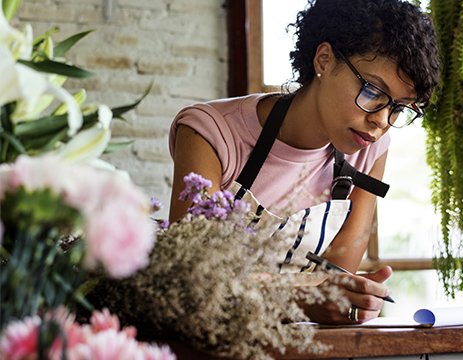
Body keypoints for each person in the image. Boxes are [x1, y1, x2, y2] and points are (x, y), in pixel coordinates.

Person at [168, 0, 440, 324]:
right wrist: (298, 297)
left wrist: (346, 298)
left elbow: (335, 281)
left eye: (399, 108)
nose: (381, 121)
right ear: (324, 60)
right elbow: (189, 279)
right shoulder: (210, 132)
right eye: (371, 92)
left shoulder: (370, 149)